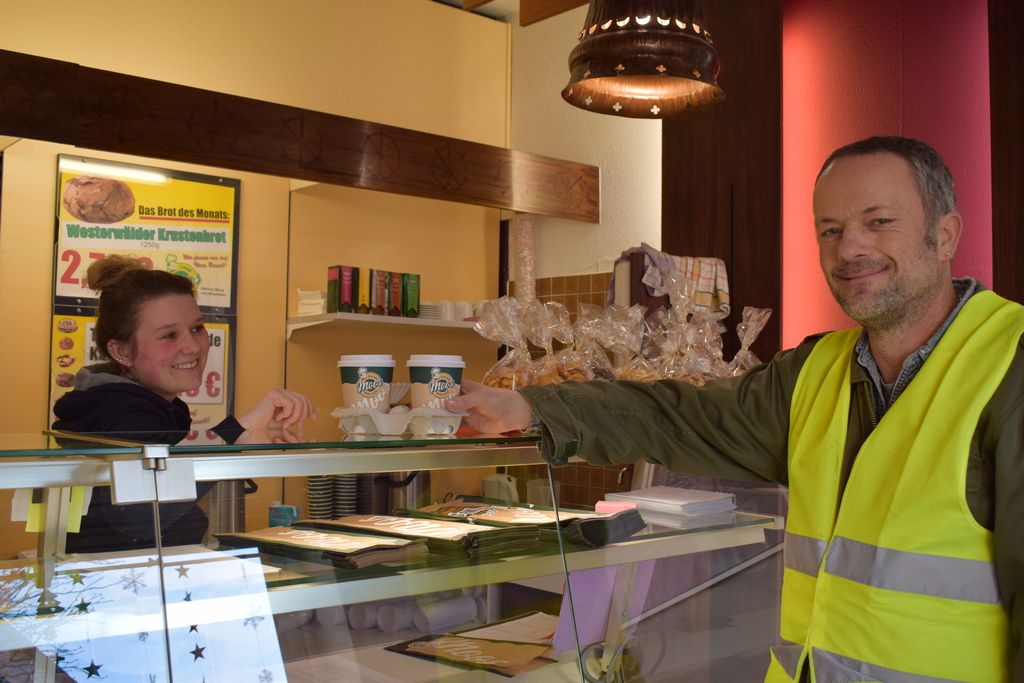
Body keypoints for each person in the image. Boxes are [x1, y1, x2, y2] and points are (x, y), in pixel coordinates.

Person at [447, 137, 1023, 682]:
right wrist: (531, 405)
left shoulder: (1010, 365)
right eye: (830, 229)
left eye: (879, 222)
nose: (850, 248)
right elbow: (678, 415)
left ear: (944, 235)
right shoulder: (813, 371)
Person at [52, 254, 317, 552]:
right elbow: (137, 516)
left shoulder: (108, 400)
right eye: (169, 335)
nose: (193, 347)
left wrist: (238, 434)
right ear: (122, 351)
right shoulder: (133, 414)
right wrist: (236, 435)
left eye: (197, 328)